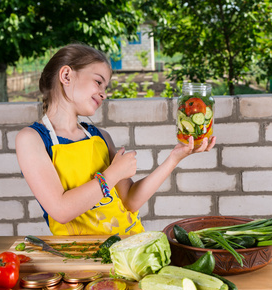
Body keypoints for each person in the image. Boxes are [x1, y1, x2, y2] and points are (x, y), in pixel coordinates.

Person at [15, 43, 216, 236]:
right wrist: (112, 174)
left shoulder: (101, 137)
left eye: (106, 86)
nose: (103, 94)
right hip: (80, 255)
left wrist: (175, 157)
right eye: (98, 81)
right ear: (66, 75)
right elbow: (61, 210)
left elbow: (131, 201)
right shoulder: (32, 139)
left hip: (128, 244)